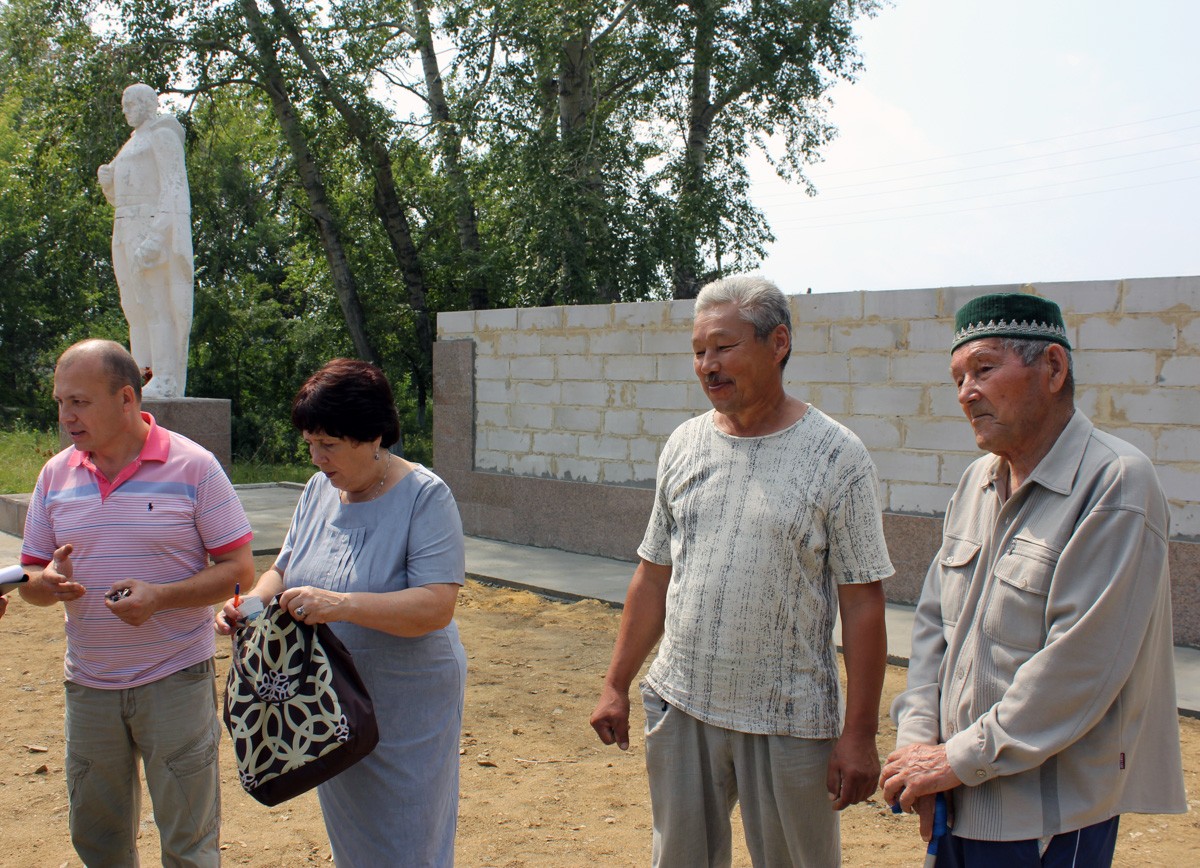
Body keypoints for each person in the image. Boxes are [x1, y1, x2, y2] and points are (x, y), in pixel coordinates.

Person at [590, 275, 894, 867]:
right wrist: (616, 683)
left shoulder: (837, 456)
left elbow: (863, 603)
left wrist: (859, 734)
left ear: (778, 342)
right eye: (699, 352)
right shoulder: (683, 445)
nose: (708, 365)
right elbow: (654, 574)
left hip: (789, 719)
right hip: (682, 706)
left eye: (724, 347)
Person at [881, 293, 1187, 866]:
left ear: (1052, 367)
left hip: (1048, 819)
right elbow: (931, 627)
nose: (966, 393)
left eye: (984, 369)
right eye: (957, 377)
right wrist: (919, 741)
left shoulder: (1116, 484)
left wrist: (955, 760)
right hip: (955, 798)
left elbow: (1079, 669)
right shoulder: (976, 480)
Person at [216, 358, 467, 867]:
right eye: (310, 443)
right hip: (331, 699)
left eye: (328, 444)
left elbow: (437, 606)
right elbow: (283, 569)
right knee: (355, 841)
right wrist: (252, 604)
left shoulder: (426, 496)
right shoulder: (317, 492)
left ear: (373, 435)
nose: (316, 458)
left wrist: (342, 605)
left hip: (408, 699)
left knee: (408, 838)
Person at [18, 338, 254, 866]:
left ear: (127, 399)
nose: (65, 416)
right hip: (89, 686)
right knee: (98, 843)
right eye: (60, 402)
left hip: (174, 681)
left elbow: (239, 572)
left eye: (79, 402)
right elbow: (32, 579)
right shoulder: (55, 475)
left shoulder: (195, 467)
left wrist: (162, 598)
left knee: (189, 844)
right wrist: (46, 583)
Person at [97, 82, 194, 398]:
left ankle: (165, 377)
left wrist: (157, 236)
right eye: (124, 104)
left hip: (149, 225)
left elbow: (174, 187)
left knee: (155, 303)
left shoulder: (163, 134)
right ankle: (140, 374)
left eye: (130, 103)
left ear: (147, 104)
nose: (125, 110)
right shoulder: (131, 143)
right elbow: (123, 194)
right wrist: (109, 185)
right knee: (134, 306)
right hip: (124, 226)